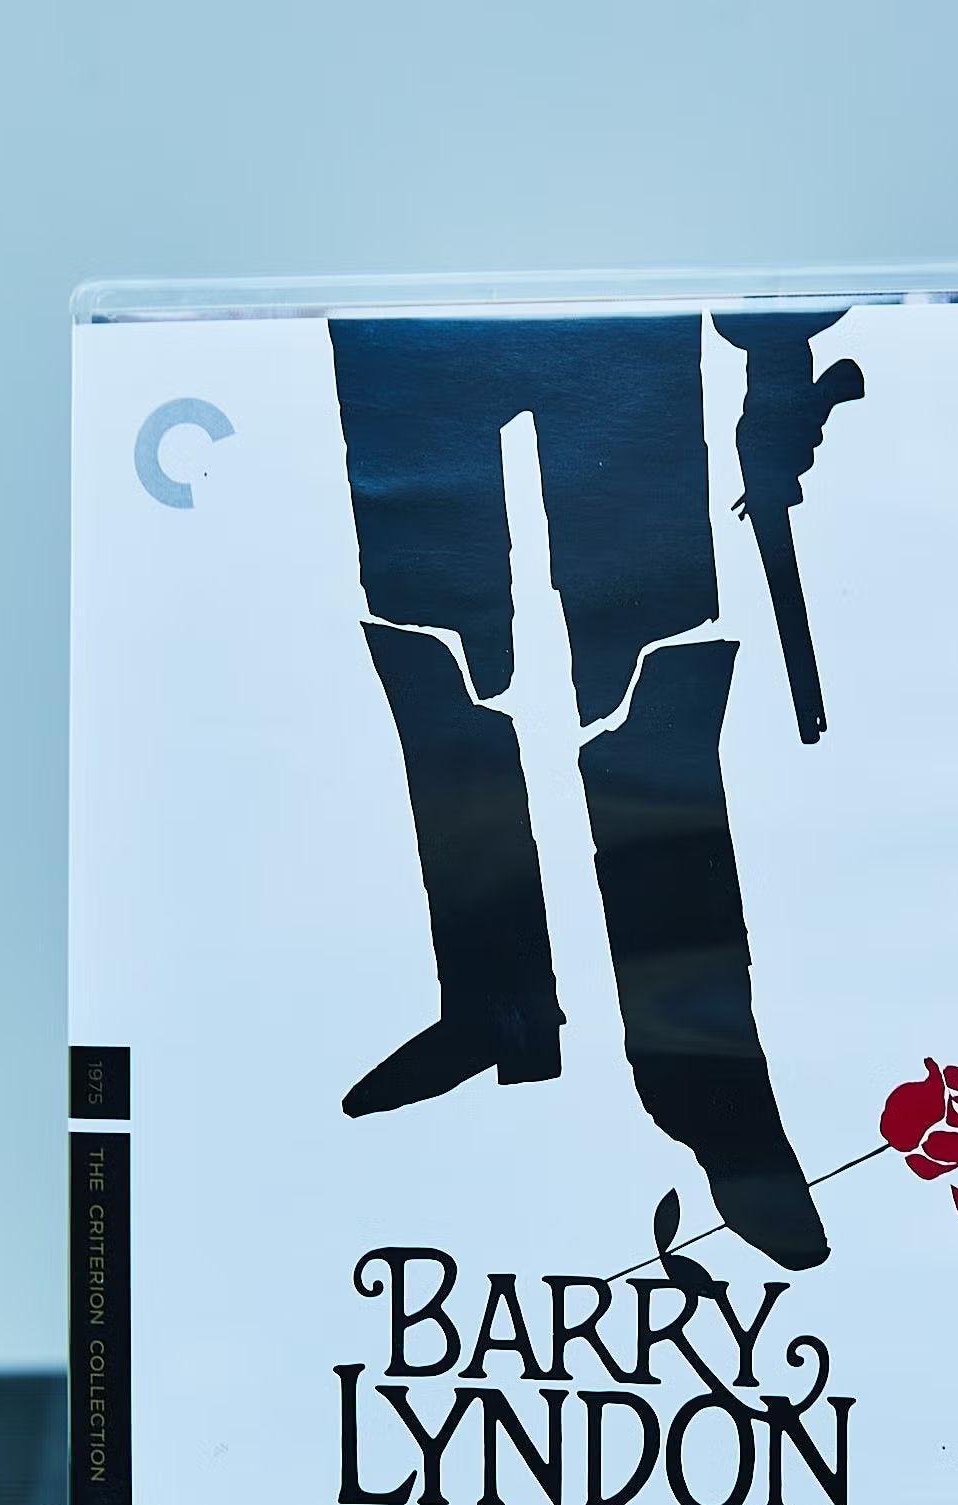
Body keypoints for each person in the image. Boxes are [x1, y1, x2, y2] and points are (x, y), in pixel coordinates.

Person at [328, 309, 863, 1272]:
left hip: (618, 332)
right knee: (433, 650)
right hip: (399, 337)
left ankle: (708, 1085)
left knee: (651, 684)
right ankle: (495, 1005)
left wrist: (779, 359)